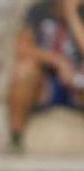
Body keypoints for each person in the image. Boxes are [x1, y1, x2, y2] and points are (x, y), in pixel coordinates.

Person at [8, 0, 84, 151]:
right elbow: (22, 48)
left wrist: (72, 15)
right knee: (24, 70)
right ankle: (15, 139)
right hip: (46, 83)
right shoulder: (39, 10)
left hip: (79, 85)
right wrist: (58, 61)